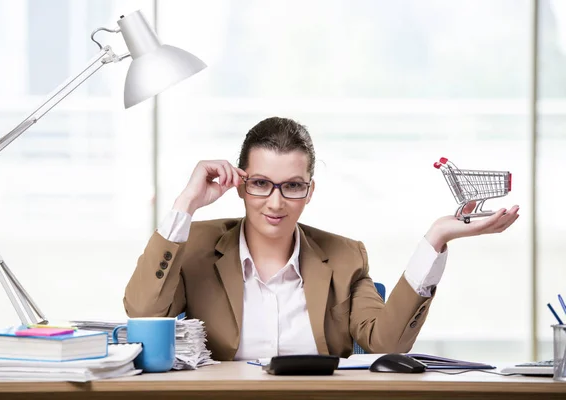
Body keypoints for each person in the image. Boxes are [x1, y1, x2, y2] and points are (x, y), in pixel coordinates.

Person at [123, 117, 519, 361]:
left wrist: (435, 238)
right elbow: (142, 309)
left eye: (292, 186)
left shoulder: (345, 257)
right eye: (261, 183)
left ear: (309, 191)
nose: (276, 202)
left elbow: (387, 344)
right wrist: (186, 203)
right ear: (241, 186)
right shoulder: (192, 246)